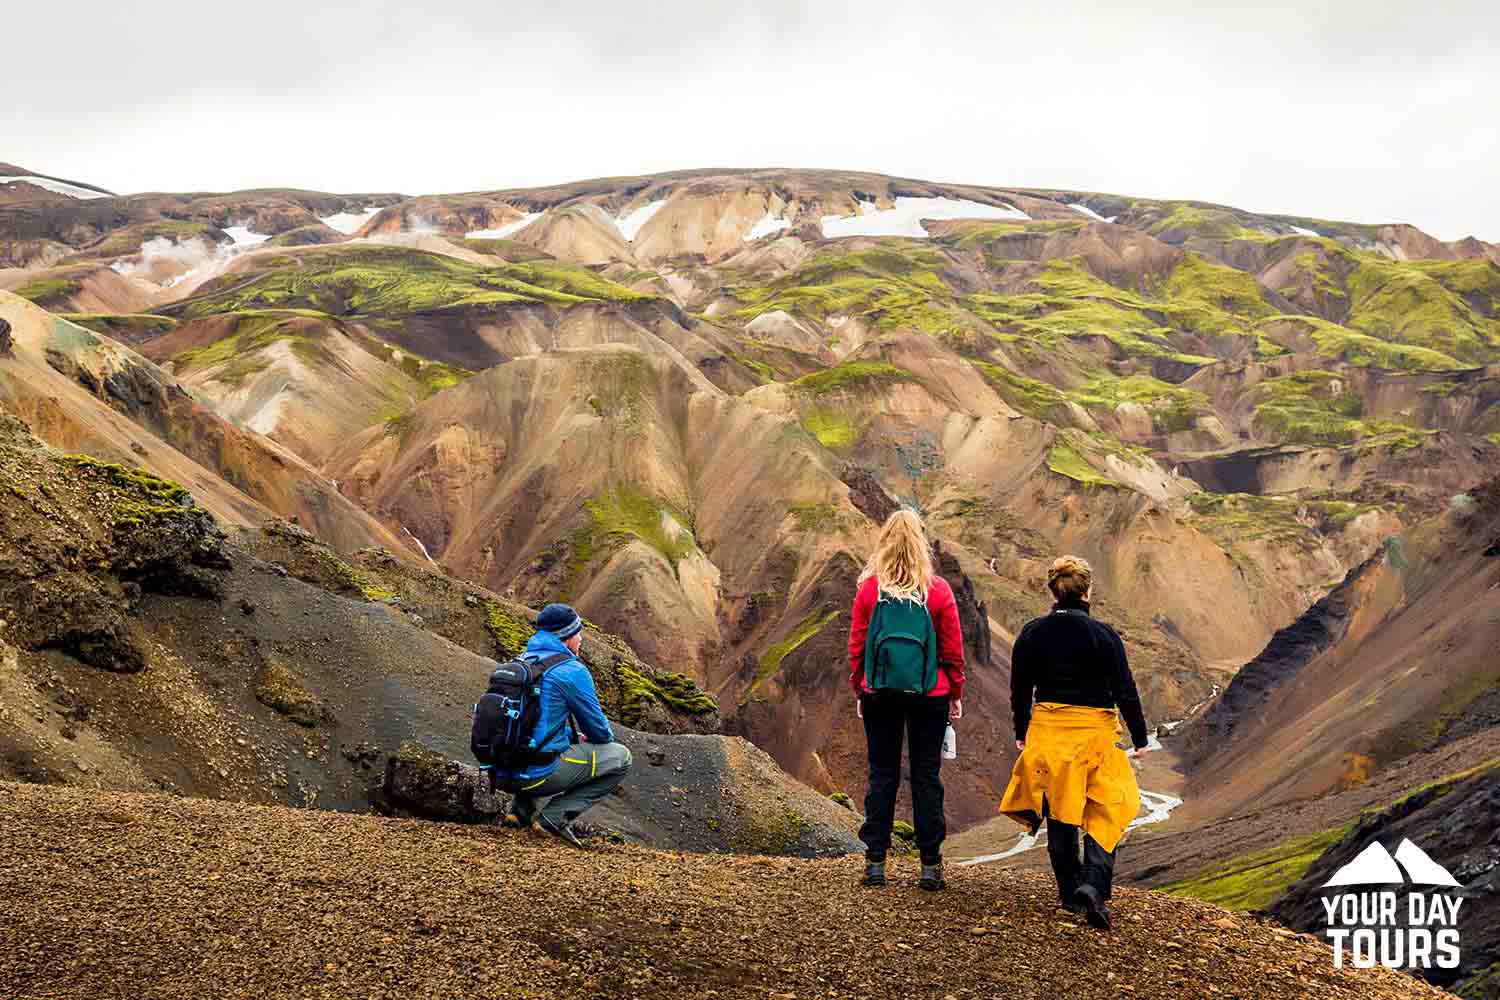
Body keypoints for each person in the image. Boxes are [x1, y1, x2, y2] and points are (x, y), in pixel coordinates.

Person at [999, 556, 1149, 931]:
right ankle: (1093, 885)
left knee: (1060, 814)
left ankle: (1070, 895)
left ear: (1054, 591)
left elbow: (1020, 690)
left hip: (1048, 735)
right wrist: (1141, 737)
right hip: (1095, 738)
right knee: (1112, 805)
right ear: (1088, 591)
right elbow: (1125, 690)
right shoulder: (1104, 635)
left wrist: (1021, 730)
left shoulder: (1032, 633)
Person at [848, 509, 966, 891]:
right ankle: (930, 866)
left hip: (879, 692)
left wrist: (860, 688)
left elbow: (856, 647)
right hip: (930, 694)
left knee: (881, 775)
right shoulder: (938, 591)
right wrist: (956, 692)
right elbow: (953, 649)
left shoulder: (869, 591)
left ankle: (875, 864)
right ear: (921, 544)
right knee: (926, 777)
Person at [498, 602, 633, 847]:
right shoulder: (570, 671)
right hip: (537, 776)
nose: (581, 638)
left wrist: (570, 735)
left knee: (536, 743)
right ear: (566, 636)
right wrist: (582, 737)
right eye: (578, 632)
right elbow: (601, 733)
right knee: (621, 757)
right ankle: (553, 819)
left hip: (500, 773)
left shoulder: (520, 662)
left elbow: (529, 724)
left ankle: (519, 812)